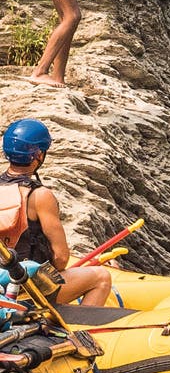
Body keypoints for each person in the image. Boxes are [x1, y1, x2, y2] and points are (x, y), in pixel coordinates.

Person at [0, 117, 116, 309]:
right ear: (38, 155)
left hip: (2, 284)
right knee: (101, 277)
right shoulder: (39, 196)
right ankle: (80, 336)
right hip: (25, 287)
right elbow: (61, 258)